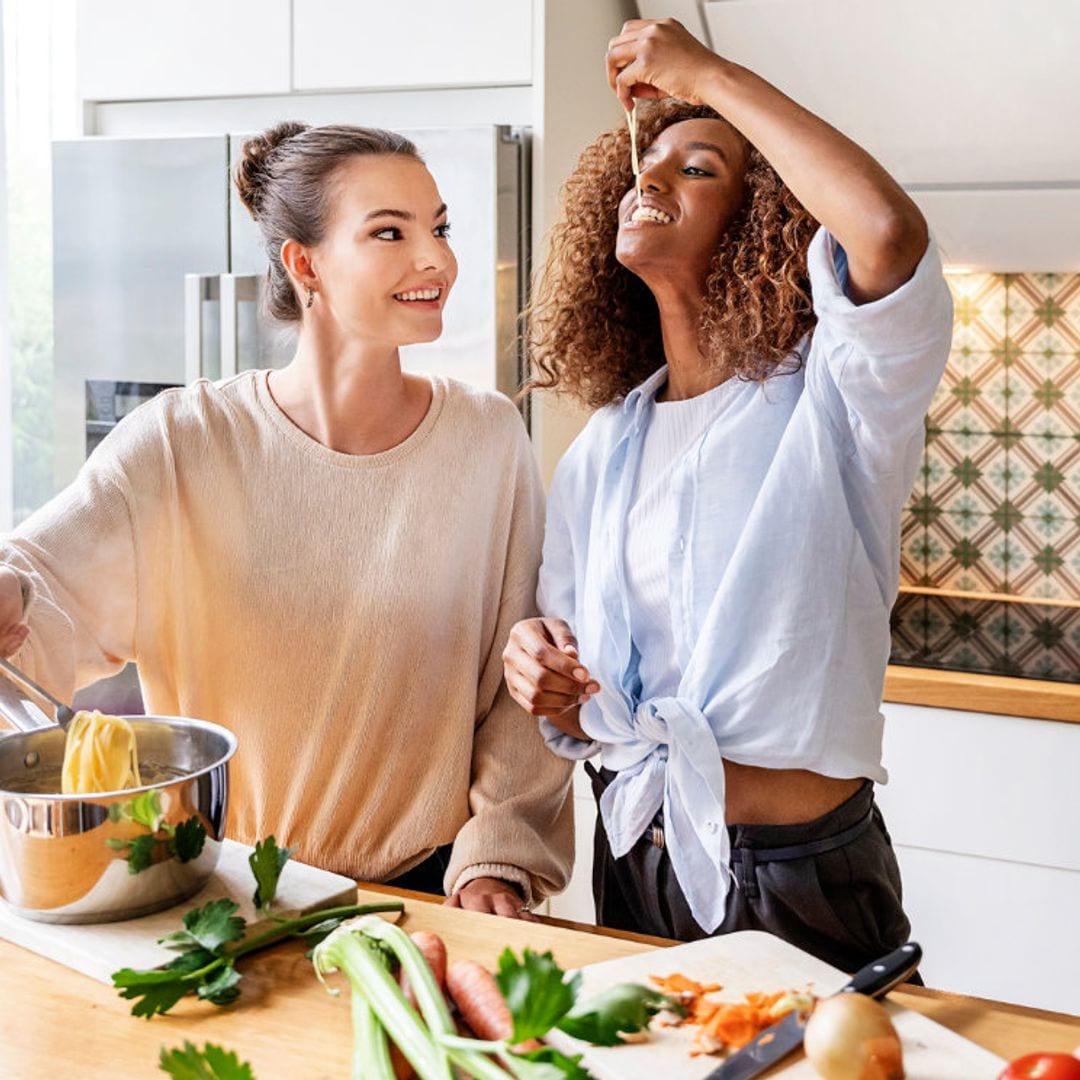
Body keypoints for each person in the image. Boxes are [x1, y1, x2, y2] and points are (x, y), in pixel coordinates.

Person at [0, 121, 573, 919]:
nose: (436, 258)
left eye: (439, 228)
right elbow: (39, 592)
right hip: (216, 895)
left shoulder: (487, 440)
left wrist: (499, 860)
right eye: (389, 232)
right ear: (304, 265)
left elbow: (521, 686)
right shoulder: (181, 442)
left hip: (424, 897)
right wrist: (12, 600)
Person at [502, 19, 953, 969]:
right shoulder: (605, 447)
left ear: (762, 217)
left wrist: (703, 72)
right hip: (633, 857)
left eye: (699, 168)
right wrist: (540, 668)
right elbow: (575, 688)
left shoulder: (834, 399)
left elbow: (885, 232)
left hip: (799, 877)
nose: (651, 180)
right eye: (647, 163)